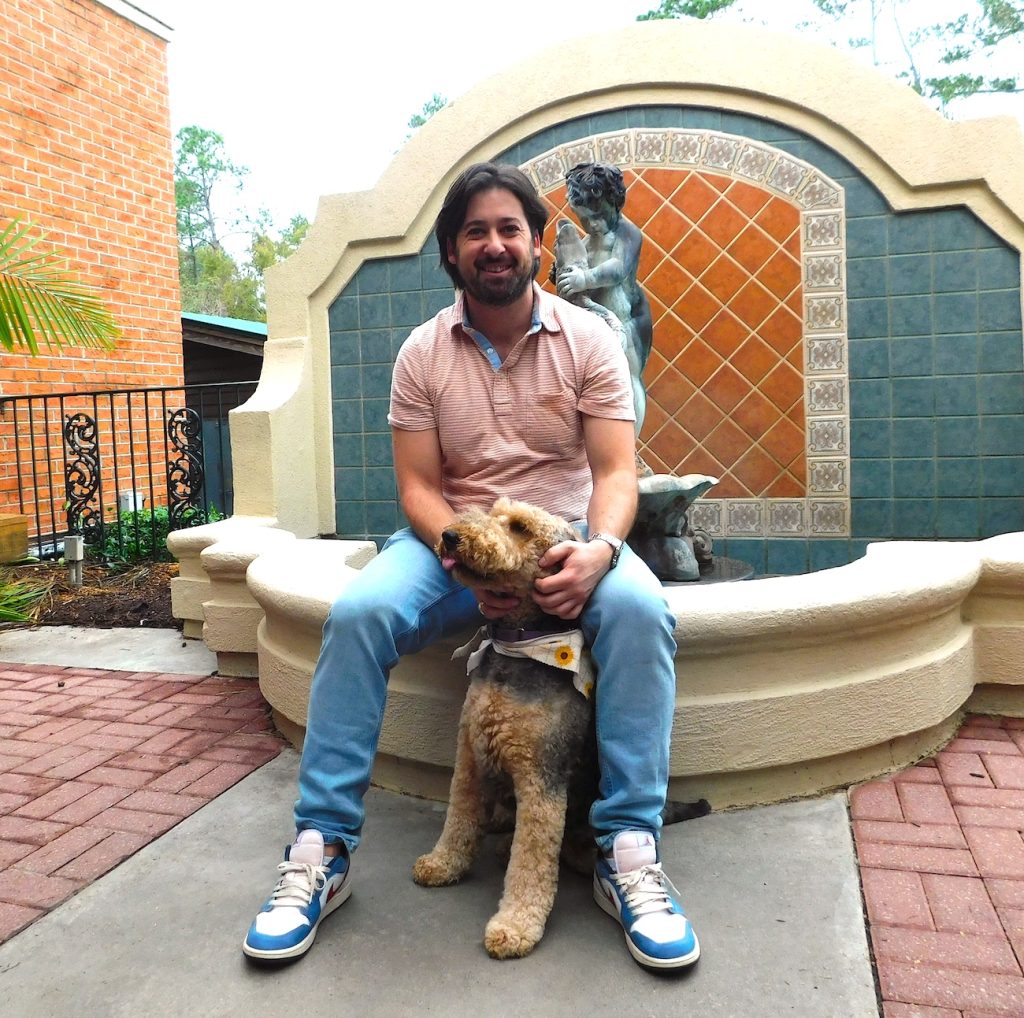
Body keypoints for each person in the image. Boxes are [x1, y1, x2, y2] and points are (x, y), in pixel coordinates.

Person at [242, 162, 699, 971]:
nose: (494, 245)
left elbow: (617, 472)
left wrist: (601, 550)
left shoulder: (588, 338)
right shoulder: (422, 352)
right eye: (475, 232)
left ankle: (627, 850)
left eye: (509, 229)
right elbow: (418, 486)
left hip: (564, 543)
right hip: (451, 546)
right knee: (359, 615)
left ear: (534, 243)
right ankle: (322, 848)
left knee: (639, 612)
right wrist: (466, 561)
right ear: (452, 253)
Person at [555, 162, 654, 436]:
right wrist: (563, 274)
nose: (592, 224)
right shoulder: (589, 240)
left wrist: (584, 280)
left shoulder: (627, 233)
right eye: (584, 219)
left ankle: (631, 442)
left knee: (628, 375)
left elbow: (617, 269)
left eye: (597, 215)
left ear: (615, 202)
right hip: (597, 323)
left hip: (627, 319)